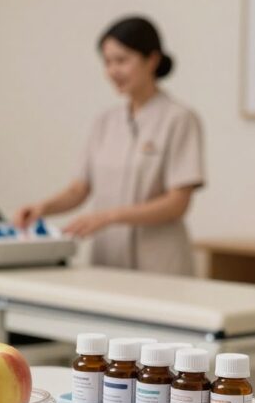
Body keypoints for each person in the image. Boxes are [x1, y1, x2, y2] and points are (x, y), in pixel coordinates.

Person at [15, 16, 204, 276]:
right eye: (107, 62)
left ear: (152, 60)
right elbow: (79, 188)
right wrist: (42, 208)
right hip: (108, 261)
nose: (113, 71)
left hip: (160, 265)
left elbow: (177, 203)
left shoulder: (179, 119)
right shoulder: (104, 122)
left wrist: (108, 217)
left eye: (122, 60)